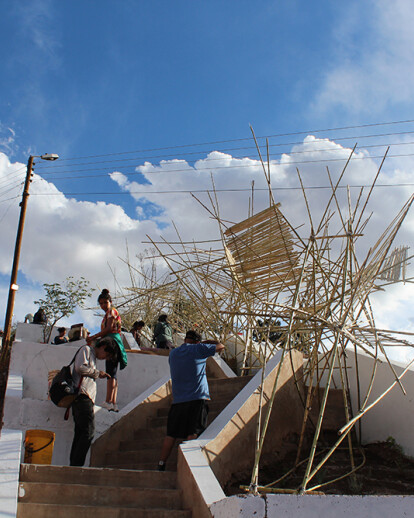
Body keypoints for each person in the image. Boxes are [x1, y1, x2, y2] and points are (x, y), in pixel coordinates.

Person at [157, 330, 225, 471]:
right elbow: (221, 346)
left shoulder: (173, 354)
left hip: (178, 400)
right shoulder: (198, 349)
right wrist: (207, 343)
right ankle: (185, 466)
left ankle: (161, 464)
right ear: (197, 341)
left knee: (171, 434)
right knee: (192, 433)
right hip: (197, 398)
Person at [70, 337, 116, 466]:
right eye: (106, 354)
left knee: (80, 433)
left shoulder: (93, 357)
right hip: (82, 396)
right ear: (103, 347)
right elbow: (80, 367)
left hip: (84, 398)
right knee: (88, 432)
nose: (104, 357)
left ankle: (74, 465)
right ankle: (76, 466)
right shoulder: (86, 350)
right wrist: (97, 373)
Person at [86, 289, 127, 412]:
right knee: (113, 373)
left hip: (111, 342)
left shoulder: (111, 312)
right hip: (115, 342)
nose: (103, 305)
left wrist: (93, 337)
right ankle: (113, 403)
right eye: (101, 303)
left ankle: (108, 401)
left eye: (105, 302)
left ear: (110, 302)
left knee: (110, 372)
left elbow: (109, 328)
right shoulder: (109, 313)